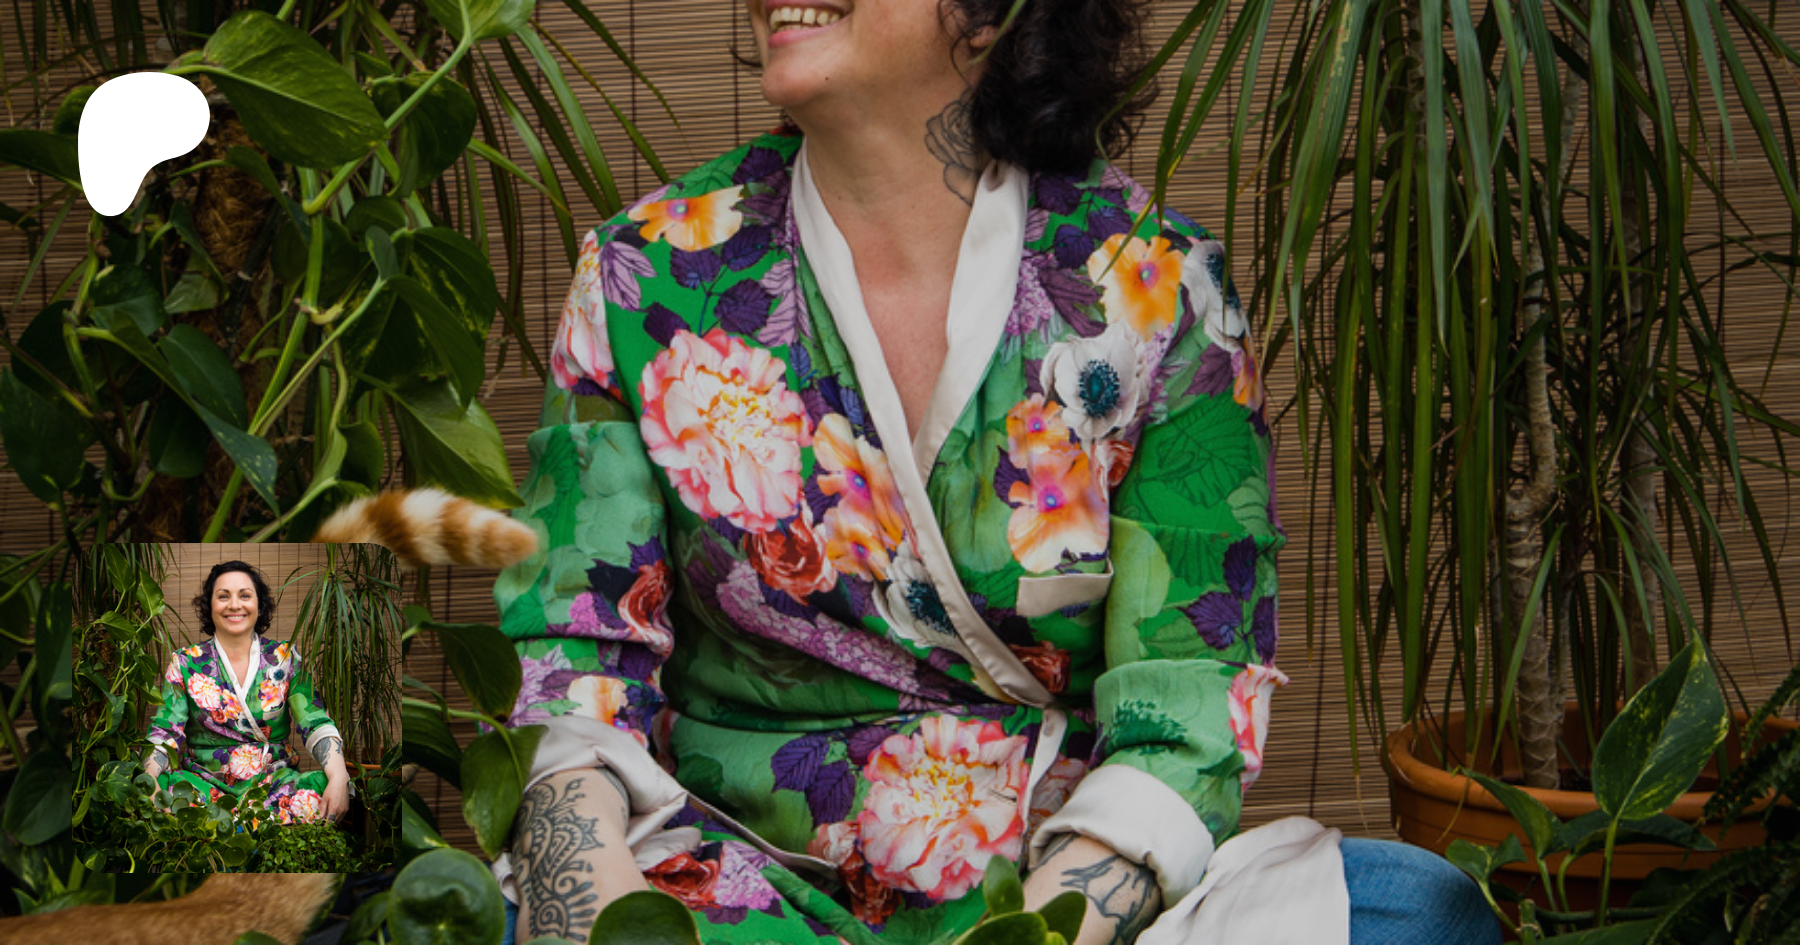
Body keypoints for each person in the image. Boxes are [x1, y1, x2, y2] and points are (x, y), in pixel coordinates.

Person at [489, 1, 1501, 943]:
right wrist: (594, 911)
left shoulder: (1154, 284)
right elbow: (574, 666)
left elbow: (1189, 705)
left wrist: (1045, 930)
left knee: (1417, 909)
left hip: (1056, 884)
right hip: (743, 882)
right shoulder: (643, 276)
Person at [144, 560, 351, 825]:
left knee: (327, 784)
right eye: (223, 596)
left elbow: (315, 721)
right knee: (157, 787)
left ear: (259, 605)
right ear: (209, 605)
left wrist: (339, 776)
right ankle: (251, 827)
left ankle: (230, 828)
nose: (234, 605)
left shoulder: (285, 658)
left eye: (245, 595)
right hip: (203, 784)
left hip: (274, 785)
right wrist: (149, 779)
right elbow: (164, 732)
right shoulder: (184, 663)